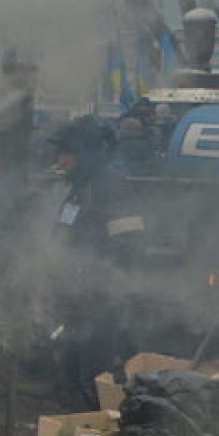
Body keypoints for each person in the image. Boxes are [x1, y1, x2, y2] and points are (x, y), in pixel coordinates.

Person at [48, 115, 147, 409]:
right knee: (67, 370)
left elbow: (129, 247)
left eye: (67, 152)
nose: (61, 160)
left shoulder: (111, 187)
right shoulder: (78, 188)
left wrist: (98, 285)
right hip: (73, 301)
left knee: (92, 376)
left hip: (98, 302)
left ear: (86, 153)